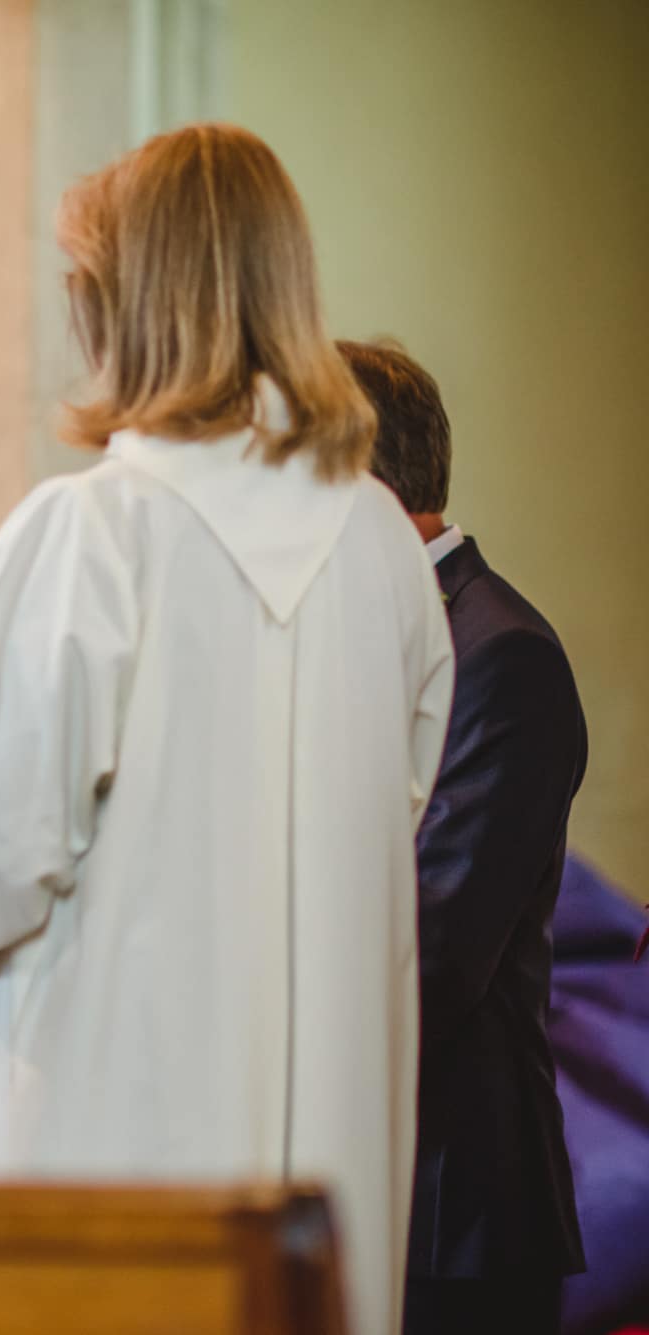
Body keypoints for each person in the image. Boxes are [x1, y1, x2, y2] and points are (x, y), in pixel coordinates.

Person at [0, 124, 453, 1335]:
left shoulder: (90, 534)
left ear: (120, 302)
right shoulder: (379, 551)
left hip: (112, 1127)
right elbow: (400, 800)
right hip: (327, 1168)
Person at [338, 339, 588, 1335]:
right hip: (369, 1184)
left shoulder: (500, 656)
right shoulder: (372, 635)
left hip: (450, 1211)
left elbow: (430, 954)